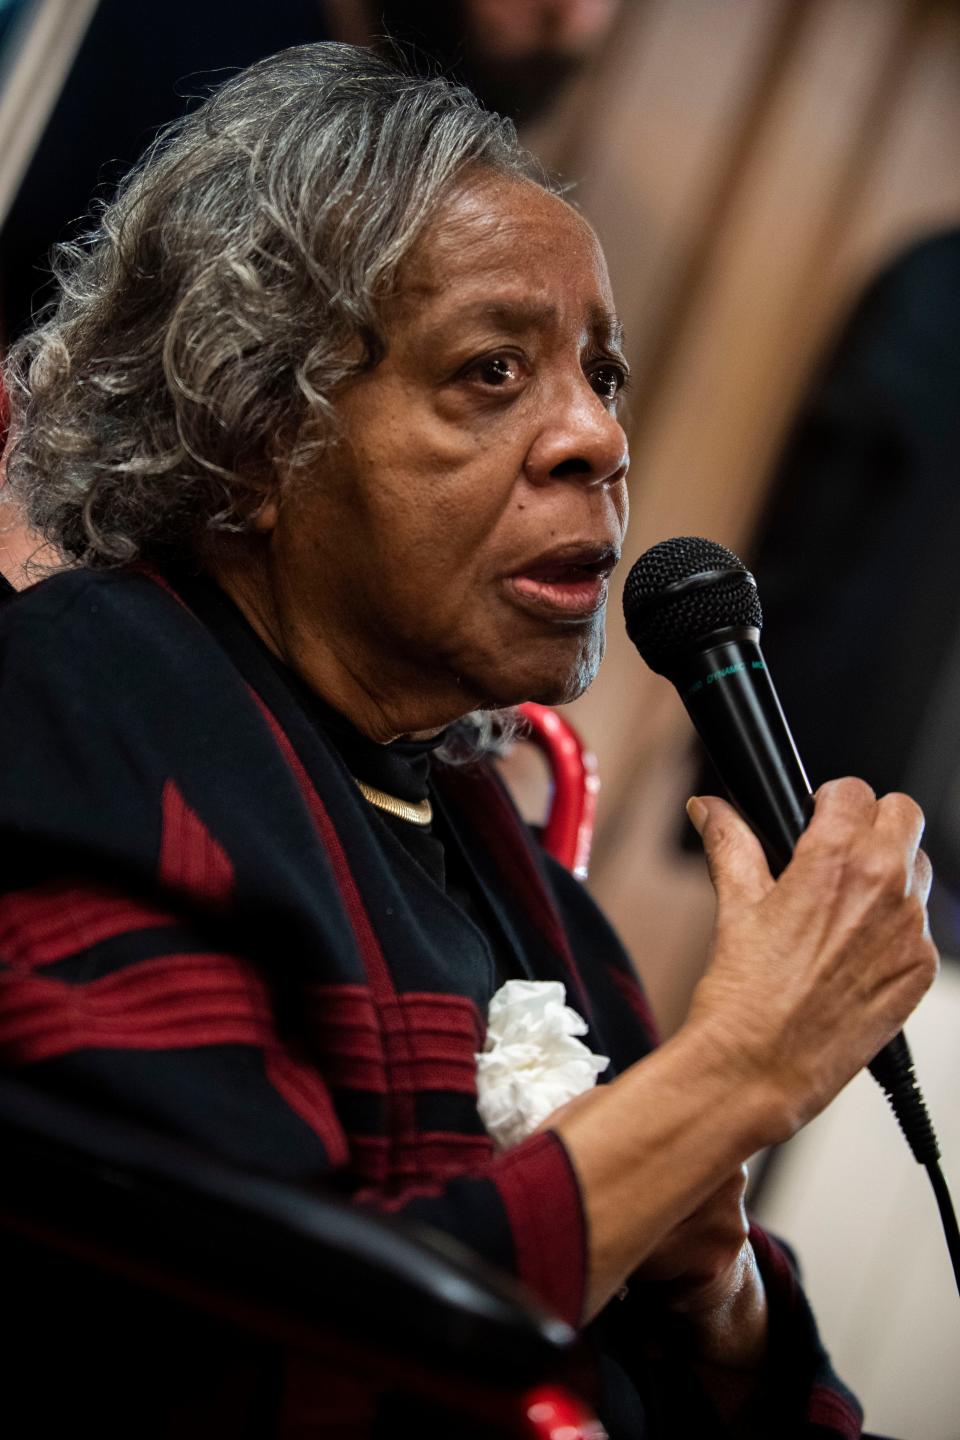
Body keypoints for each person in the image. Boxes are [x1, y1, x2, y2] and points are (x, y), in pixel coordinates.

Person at [0, 43, 936, 1438]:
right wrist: (739, 1068)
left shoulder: (519, 871)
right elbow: (240, 1344)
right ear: (256, 427)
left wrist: (720, 1286)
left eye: (602, 376)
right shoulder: (74, 715)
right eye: (492, 371)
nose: (597, 442)